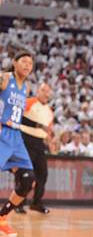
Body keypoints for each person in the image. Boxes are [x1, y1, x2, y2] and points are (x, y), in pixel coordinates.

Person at [0, 51, 35, 237]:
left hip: (16, 137)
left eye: (30, 63)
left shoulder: (26, 88)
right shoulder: (4, 78)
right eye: (24, 61)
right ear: (14, 63)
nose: (28, 65)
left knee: (28, 179)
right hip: (2, 133)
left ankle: (2, 217)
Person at [17, 83, 54, 214]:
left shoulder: (49, 111)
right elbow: (18, 118)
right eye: (43, 90)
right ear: (37, 91)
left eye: (48, 91)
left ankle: (36, 202)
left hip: (39, 143)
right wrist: (38, 125)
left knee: (42, 174)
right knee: (25, 173)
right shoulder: (29, 102)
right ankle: (18, 203)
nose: (45, 93)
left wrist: (50, 141)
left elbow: (48, 130)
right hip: (25, 139)